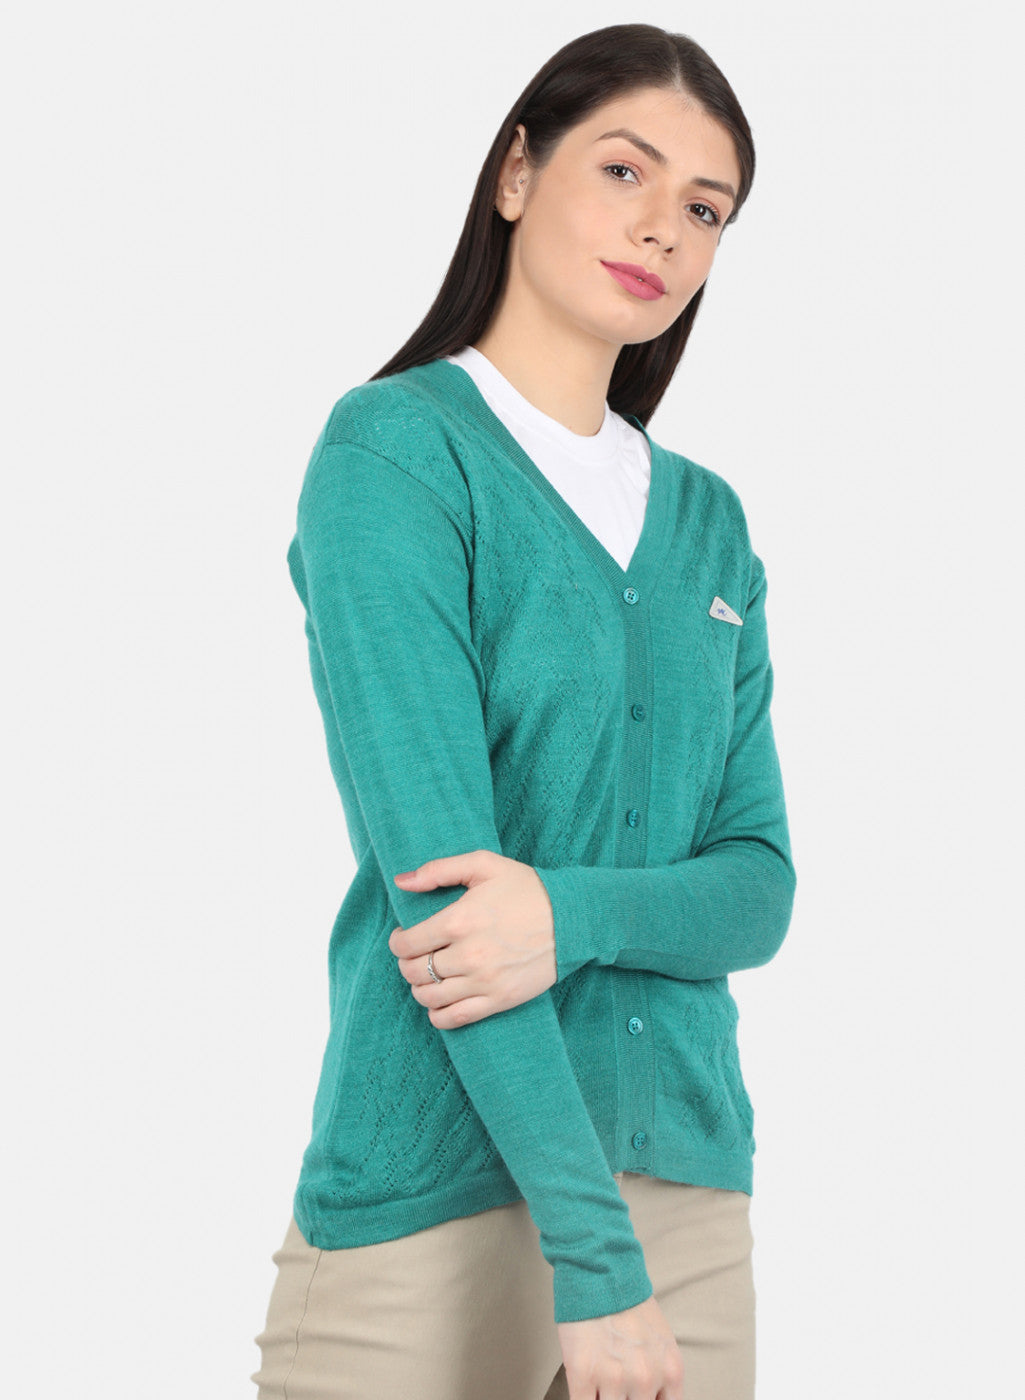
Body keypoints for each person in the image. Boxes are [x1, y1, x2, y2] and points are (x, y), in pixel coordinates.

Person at [251, 22, 795, 1400]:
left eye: (705, 209)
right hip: (433, 1202)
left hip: (685, 1197)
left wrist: (565, 913)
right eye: (623, 170)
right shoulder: (395, 455)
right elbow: (448, 906)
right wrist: (592, 1263)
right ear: (513, 172)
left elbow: (757, 889)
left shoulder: (710, 525)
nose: (662, 228)